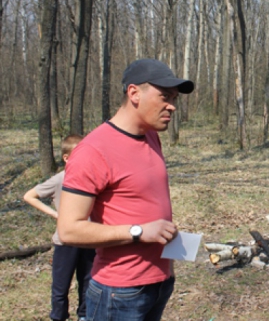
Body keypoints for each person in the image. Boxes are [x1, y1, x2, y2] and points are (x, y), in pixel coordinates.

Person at [57, 58, 194, 321]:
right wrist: (139, 232)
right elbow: (68, 229)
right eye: (165, 96)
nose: (172, 106)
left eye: (175, 98)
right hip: (119, 292)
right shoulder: (93, 151)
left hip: (160, 281)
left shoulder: (151, 136)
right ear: (134, 93)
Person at [23, 134, 95, 321]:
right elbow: (29, 196)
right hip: (65, 241)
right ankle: (58, 316)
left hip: (89, 238)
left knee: (88, 282)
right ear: (67, 158)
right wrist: (55, 214)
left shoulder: (91, 179)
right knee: (61, 285)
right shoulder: (60, 179)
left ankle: (84, 316)